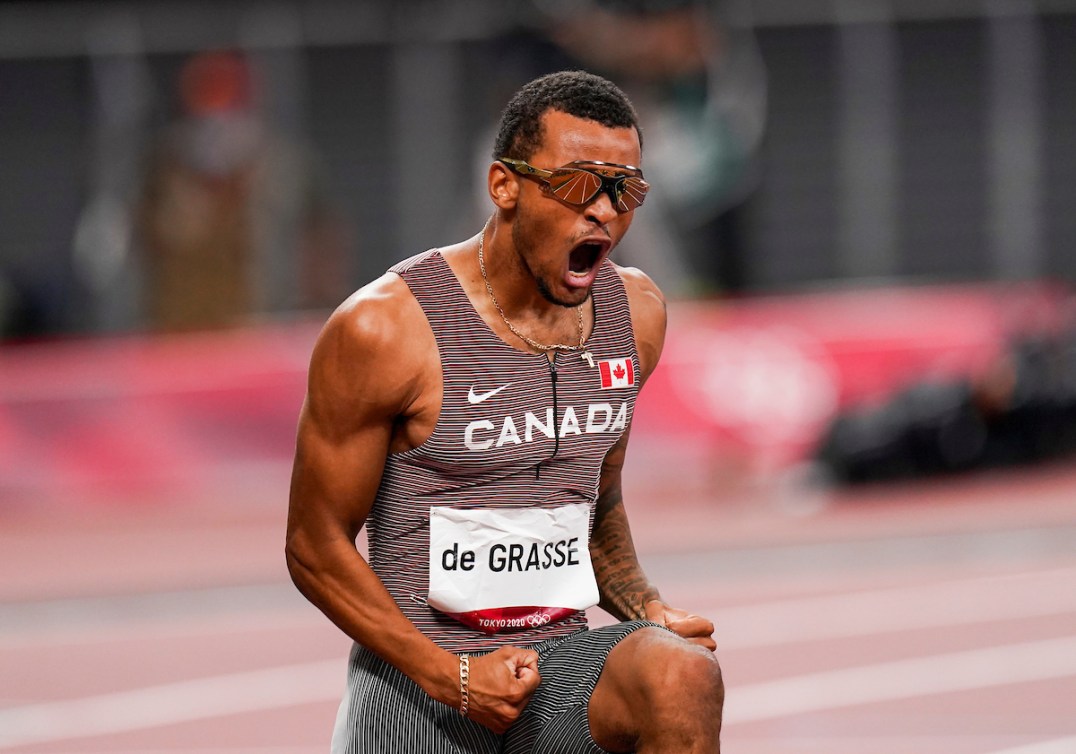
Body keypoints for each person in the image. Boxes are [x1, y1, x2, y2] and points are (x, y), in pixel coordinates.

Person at [286, 70, 723, 753]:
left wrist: (646, 607)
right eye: (579, 183)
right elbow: (314, 549)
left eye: (625, 189)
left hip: (558, 671)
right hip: (419, 684)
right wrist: (453, 677)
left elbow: (594, 498)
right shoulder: (386, 329)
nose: (604, 210)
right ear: (504, 186)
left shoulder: (634, 316)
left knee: (680, 673)